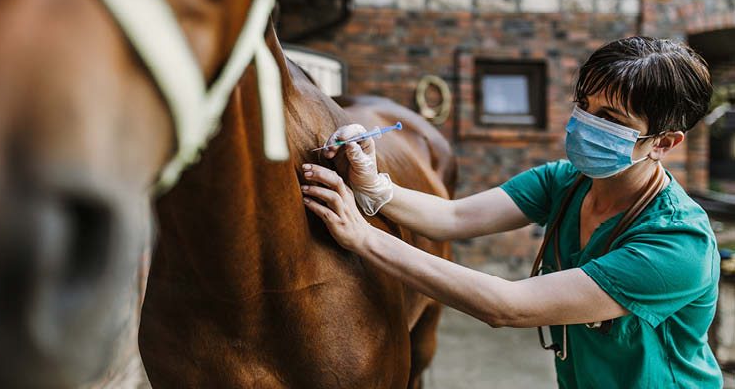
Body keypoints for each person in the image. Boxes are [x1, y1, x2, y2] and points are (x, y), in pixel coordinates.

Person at [301, 36, 722, 388]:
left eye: (610, 118)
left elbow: (509, 305)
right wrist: (373, 185)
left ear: (663, 144)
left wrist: (365, 237)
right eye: (584, 104)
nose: (584, 122)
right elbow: (456, 218)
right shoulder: (567, 181)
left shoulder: (677, 244)